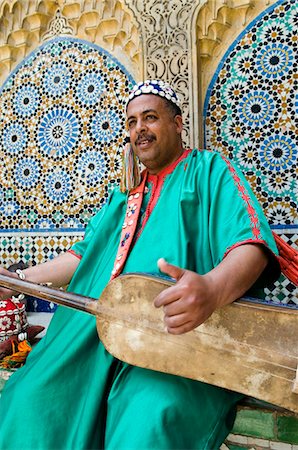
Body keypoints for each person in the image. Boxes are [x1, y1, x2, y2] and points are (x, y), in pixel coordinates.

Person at [0, 80, 280, 450]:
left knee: (147, 424)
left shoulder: (212, 170)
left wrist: (212, 289)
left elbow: (253, 243)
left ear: (178, 124)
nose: (139, 129)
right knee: (31, 399)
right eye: (132, 122)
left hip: (180, 340)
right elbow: (83, 254)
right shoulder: (125, 194)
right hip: (98, 334)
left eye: (150, 117)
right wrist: (18, 280)